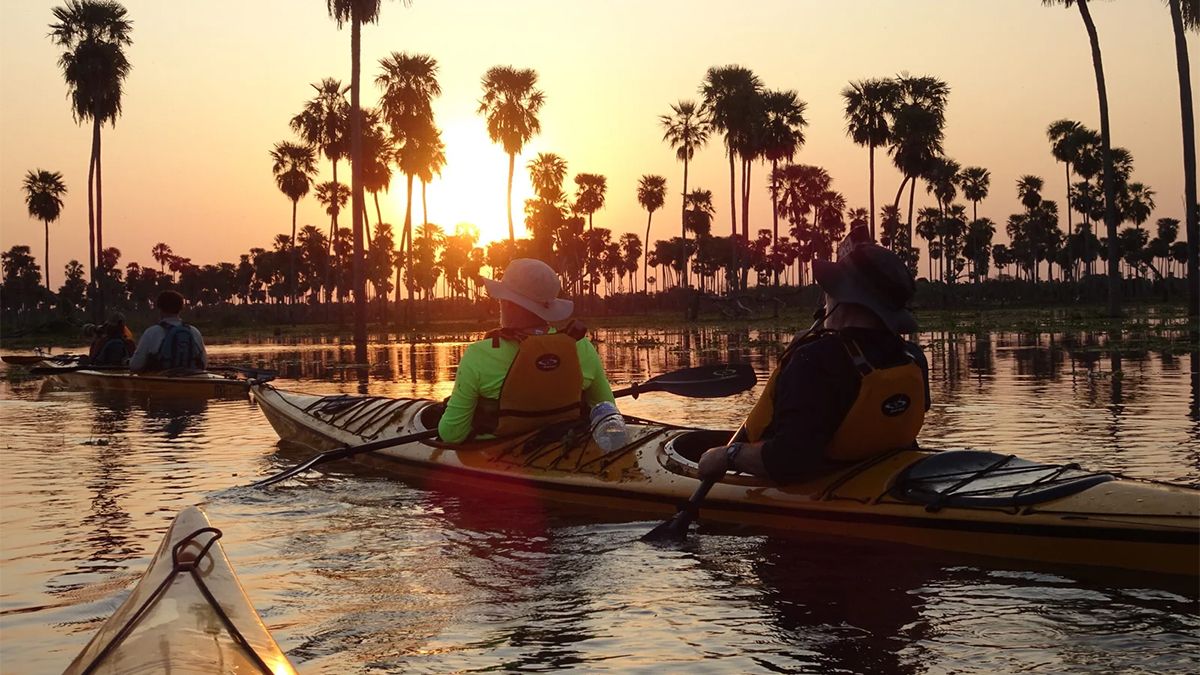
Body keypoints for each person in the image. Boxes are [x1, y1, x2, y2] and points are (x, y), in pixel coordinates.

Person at [699, 231, 930, 483]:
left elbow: (788, 460)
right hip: (888, 480)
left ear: (842, 298)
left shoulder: (815, 361)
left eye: (829, 290)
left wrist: (727, 455)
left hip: (828, 490)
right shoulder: (912, 357)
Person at [437, 258, 616, 444]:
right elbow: (608, 412)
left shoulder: (479, 354)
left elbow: (451, 434)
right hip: (564, 449)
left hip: (496, 452)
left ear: (507, 303)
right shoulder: (581, 346)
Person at [129, 290, 207, 373]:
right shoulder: (194, 331)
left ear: (159, 308)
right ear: (180, 308)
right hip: (192, 379)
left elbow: (135, 365)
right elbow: (204, 364)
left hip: (161, 380)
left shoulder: (152, 332)